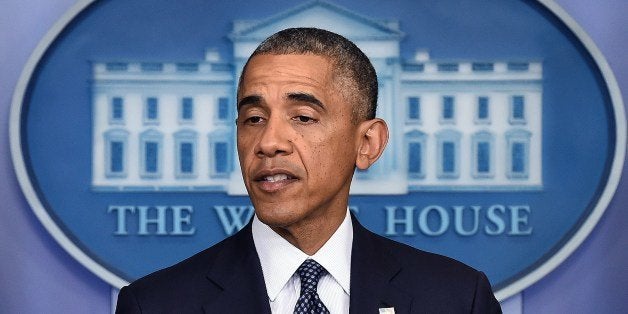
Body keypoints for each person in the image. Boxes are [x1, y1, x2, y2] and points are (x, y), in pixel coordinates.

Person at [115, 27, 502, 314]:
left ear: (367, 143)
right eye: (253, 118)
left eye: (302, 117)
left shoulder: (457, 298)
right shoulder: (154, 305)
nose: (269, 142)